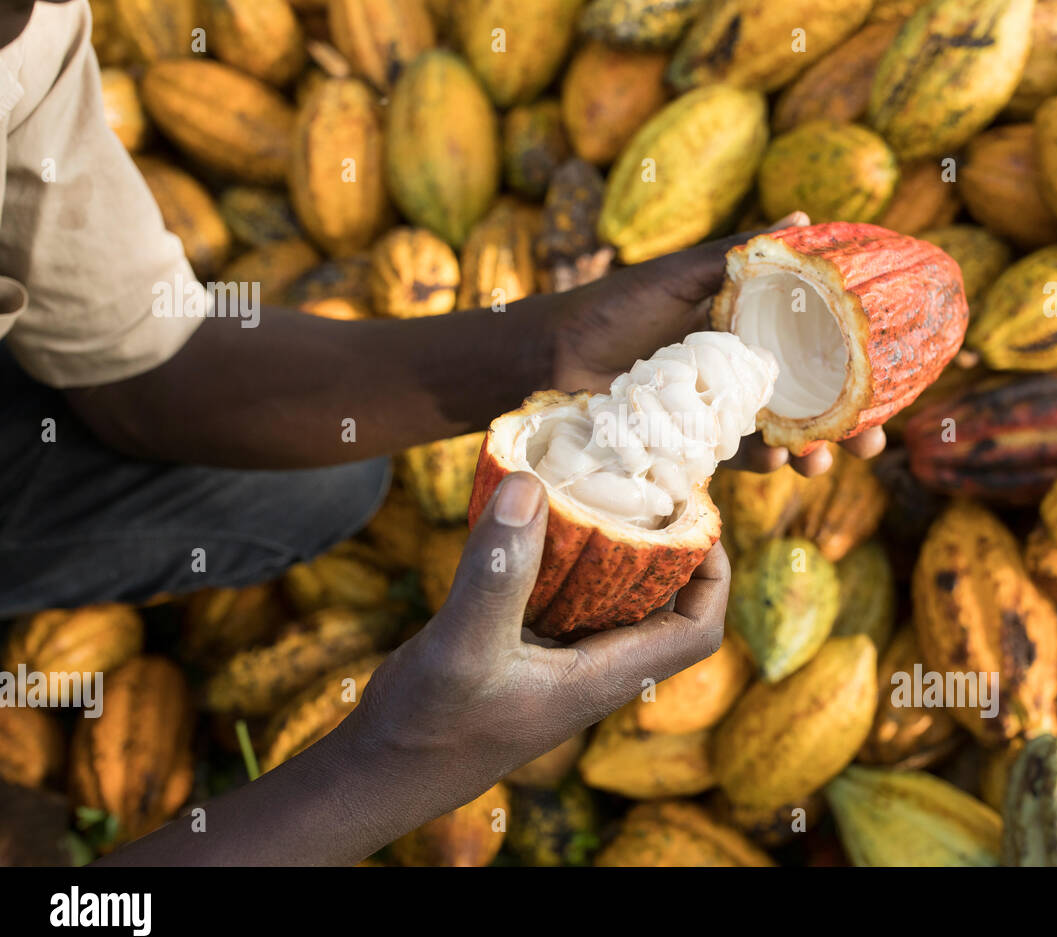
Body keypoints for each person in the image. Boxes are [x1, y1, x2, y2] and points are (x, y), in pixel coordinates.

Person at [0, 0, 884, 865]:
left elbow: (145, 363)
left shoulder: (26, 36)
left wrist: (551, 339)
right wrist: (398, 761)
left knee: (322, 477)